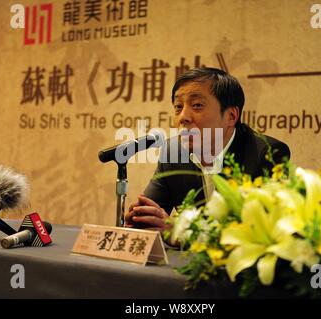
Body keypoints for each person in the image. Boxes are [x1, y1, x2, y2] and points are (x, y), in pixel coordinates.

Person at [124, 67, 290, 234]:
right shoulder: (172, 151)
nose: (183, 117)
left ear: (231, 116)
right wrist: (140, 219)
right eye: (178, 107)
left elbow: (257, 233)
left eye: (197, 105)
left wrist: (182, 232)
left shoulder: (267, 153)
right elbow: (153, 218)